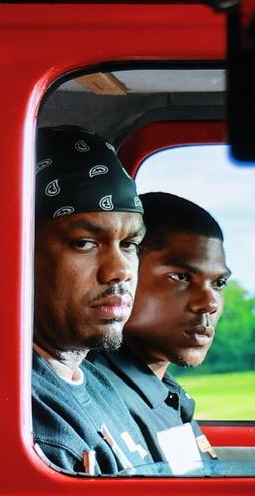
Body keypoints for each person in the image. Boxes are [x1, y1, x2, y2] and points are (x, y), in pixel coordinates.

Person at [29, 127, 160, 474]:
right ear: (21, 251)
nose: (120, 270)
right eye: (85, 243)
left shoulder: (97, 383)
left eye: (129, 245)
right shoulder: (32, 423)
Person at [88, 191, 229, 475]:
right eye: (181, 277)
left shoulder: (161, 392)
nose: (209, 303)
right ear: (124, 272)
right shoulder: (101, 400)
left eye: (219, 282)